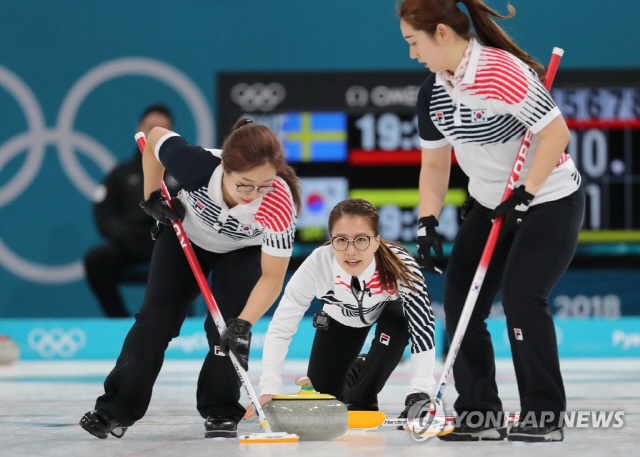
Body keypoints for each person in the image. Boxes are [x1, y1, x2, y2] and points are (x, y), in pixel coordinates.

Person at [399, 0, 584, 443]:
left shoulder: (502, 72)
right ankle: (478, 412)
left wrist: (527, 192)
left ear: (441, 33)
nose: (411, 53)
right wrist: (426, 222)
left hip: (549, 198)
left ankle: (545, 413)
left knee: (522, 296)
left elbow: (556, 134)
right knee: (461, 306)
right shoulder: (434, 91)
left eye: (413, 42)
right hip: (488, 203)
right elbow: (436, 166)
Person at [79, 118, 301, 440]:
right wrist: (151, 196)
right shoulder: (198, 166)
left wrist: (244, 323)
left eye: (263, 185)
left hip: (243, 249)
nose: (254, 195)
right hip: (187, 236)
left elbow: (271, 277)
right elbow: (155, 138)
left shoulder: (279, 202)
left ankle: (221, 409)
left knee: (227, 328)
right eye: (244, 185)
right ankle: (115, 409)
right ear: (224, 166)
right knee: (155, 321)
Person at [247, 198, 436, 425]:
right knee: (325, 402)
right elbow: (280, 328)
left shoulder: (400, 265)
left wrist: (420, 393)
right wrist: (269, 389)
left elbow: (423, 327)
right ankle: (359, 366)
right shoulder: (316, 265)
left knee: (402, 320)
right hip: (340, 319)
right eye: (341, 240)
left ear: (377, 241)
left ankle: (363, 392)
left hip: (391, 315)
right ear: (331, 241)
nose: (351, 250)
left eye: (361, 240)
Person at [84, 104, 178, 317]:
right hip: (129, 244)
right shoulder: (120, 174)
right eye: (151, 127)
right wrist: (126, 236)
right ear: (139, 129)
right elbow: (104, 215)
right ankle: (118, 319)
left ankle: (172, 320)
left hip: (168, 246)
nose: (155, 134)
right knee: (97, 260)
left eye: (162, 129)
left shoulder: (181, 175)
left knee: (195, 259)